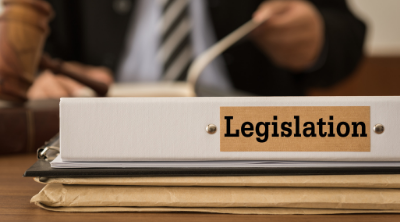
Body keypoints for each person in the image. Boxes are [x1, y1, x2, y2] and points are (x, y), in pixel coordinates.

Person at [27, 0, 366, 99]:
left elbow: (348, 34)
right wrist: (40, 80)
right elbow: (36, 49)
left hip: (253, 139)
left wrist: (317, 36)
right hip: (105, 134)